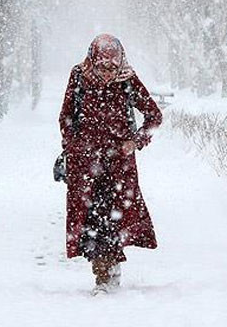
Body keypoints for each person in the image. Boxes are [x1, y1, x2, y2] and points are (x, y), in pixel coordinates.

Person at [58, 34, 163, 295]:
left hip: (119, 166)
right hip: (85, 165)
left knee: (113, 219)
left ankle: (108, 272)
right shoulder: (79, 76)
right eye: (102, 67)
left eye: (112, 67)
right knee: (91, 220)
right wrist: (73, 146)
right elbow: (66, 116)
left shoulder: (127, 79)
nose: (107, 73)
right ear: (92, 60)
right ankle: (102, 273)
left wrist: (135, 141)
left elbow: (154, 116)